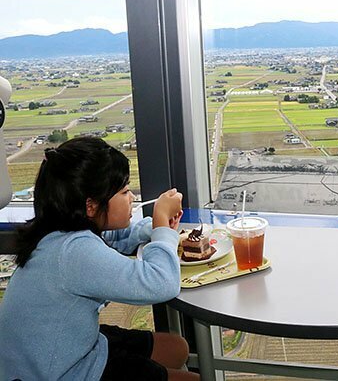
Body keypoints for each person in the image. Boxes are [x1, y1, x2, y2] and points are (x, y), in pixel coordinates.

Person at [0, 137, 199, 380]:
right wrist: (160, 223)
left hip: (72, 348)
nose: (132, 198)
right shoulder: (74, 253)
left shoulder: (58, 232)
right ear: (91, 206)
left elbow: (114, 241)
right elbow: (162, 284)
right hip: (61, 372)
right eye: (124, 191)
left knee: (177, 348)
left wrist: (154, 230)